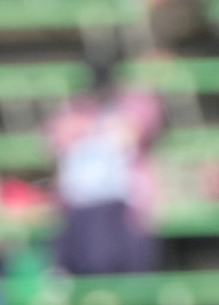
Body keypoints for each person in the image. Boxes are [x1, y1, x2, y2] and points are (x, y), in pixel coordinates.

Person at [45, 59, 167, 279]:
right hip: (82, 209)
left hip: (124, 209)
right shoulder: (75, 114)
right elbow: (56, 136)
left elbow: (137, 126)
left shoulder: (132, 107)